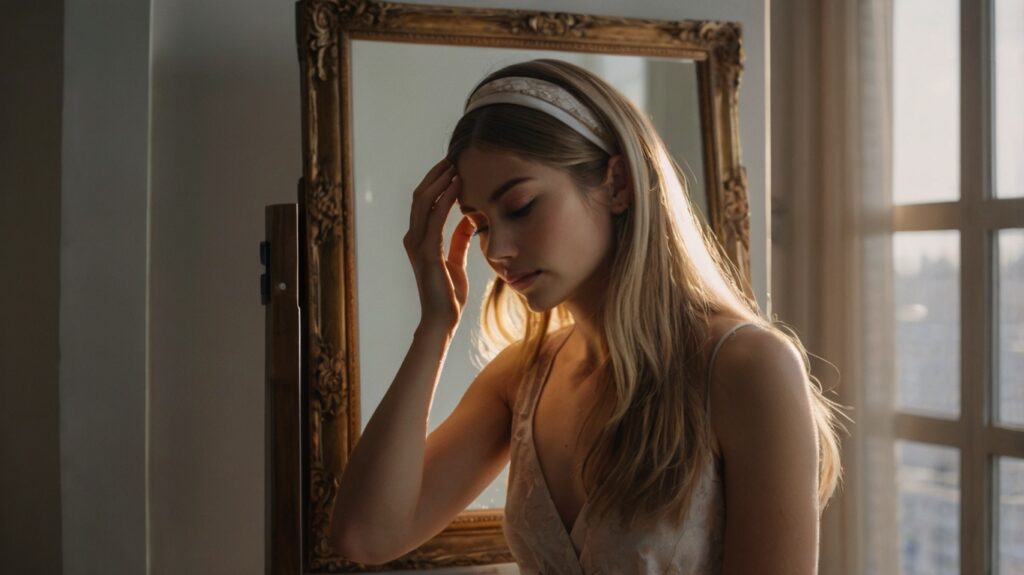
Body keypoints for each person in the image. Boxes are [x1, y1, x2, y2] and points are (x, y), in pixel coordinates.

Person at [329, 58, 847, 574]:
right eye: (481, 224)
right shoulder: (522, 377)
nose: (498, 250)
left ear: (618, 183)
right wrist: (434, 328)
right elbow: (365, 537)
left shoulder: (747, 367)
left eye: (521, 205)